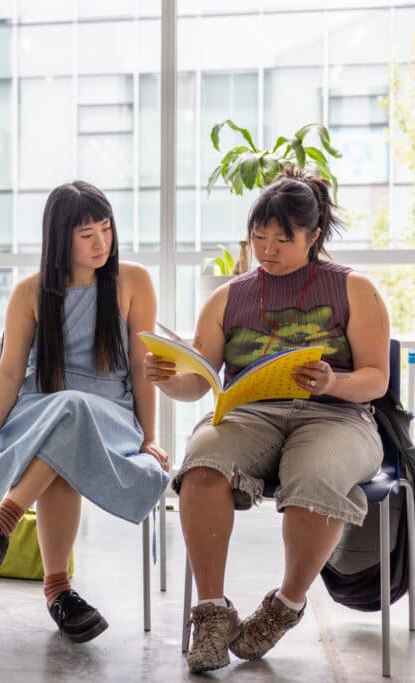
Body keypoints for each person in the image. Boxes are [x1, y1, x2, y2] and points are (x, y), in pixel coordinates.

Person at [145, 166, 390, 673]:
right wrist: (168, 376)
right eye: (259, 237)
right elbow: (198, 384)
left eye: (283, 239)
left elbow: (376, 378)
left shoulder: (354, 289)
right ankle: (212, 613)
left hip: (338, 416)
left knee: (316, 476)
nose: (268, 249)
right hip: (251, 414)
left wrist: (332, 384)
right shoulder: (228, 297)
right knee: (204, 460)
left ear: (314, 235)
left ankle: (286, 604)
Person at [0, 180, 171, 642]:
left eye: (106, 229)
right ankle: (59, 591)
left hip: (110, 416)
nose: (101, 243)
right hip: (38, 411)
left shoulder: (133, 282)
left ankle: (0, 526)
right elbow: (10, 374)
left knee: (74, 415)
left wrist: (150, 436)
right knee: (65, 422)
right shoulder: (29, 293)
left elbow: (145, 371)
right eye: (86, 234)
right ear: (59, 238)